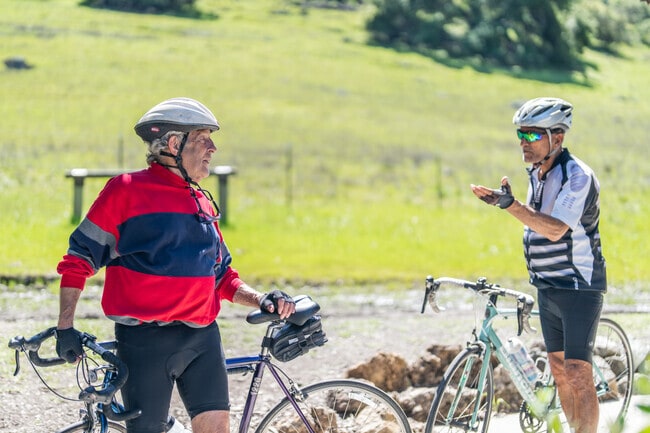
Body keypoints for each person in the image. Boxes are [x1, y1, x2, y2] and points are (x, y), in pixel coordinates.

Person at [54, 97, 296, 433]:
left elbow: (222, 277)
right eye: (202, 138)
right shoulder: (126, 191)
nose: (212, 148)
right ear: (173, 144)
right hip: (144, 342)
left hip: (202, 339)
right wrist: (65, 326)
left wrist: (261, 299)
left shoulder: (200, 201)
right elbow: (79, 259)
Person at [470, 97, 606, 433]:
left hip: (578, 286)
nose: (523, 143)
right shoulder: (538, 174)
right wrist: (512, 204)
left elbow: (556, 229)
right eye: (521, 134)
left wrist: (509, 205)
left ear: (557, 138)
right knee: (559, 370)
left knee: (577, 371)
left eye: (533, 135)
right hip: (546, 286)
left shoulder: (577, 175)